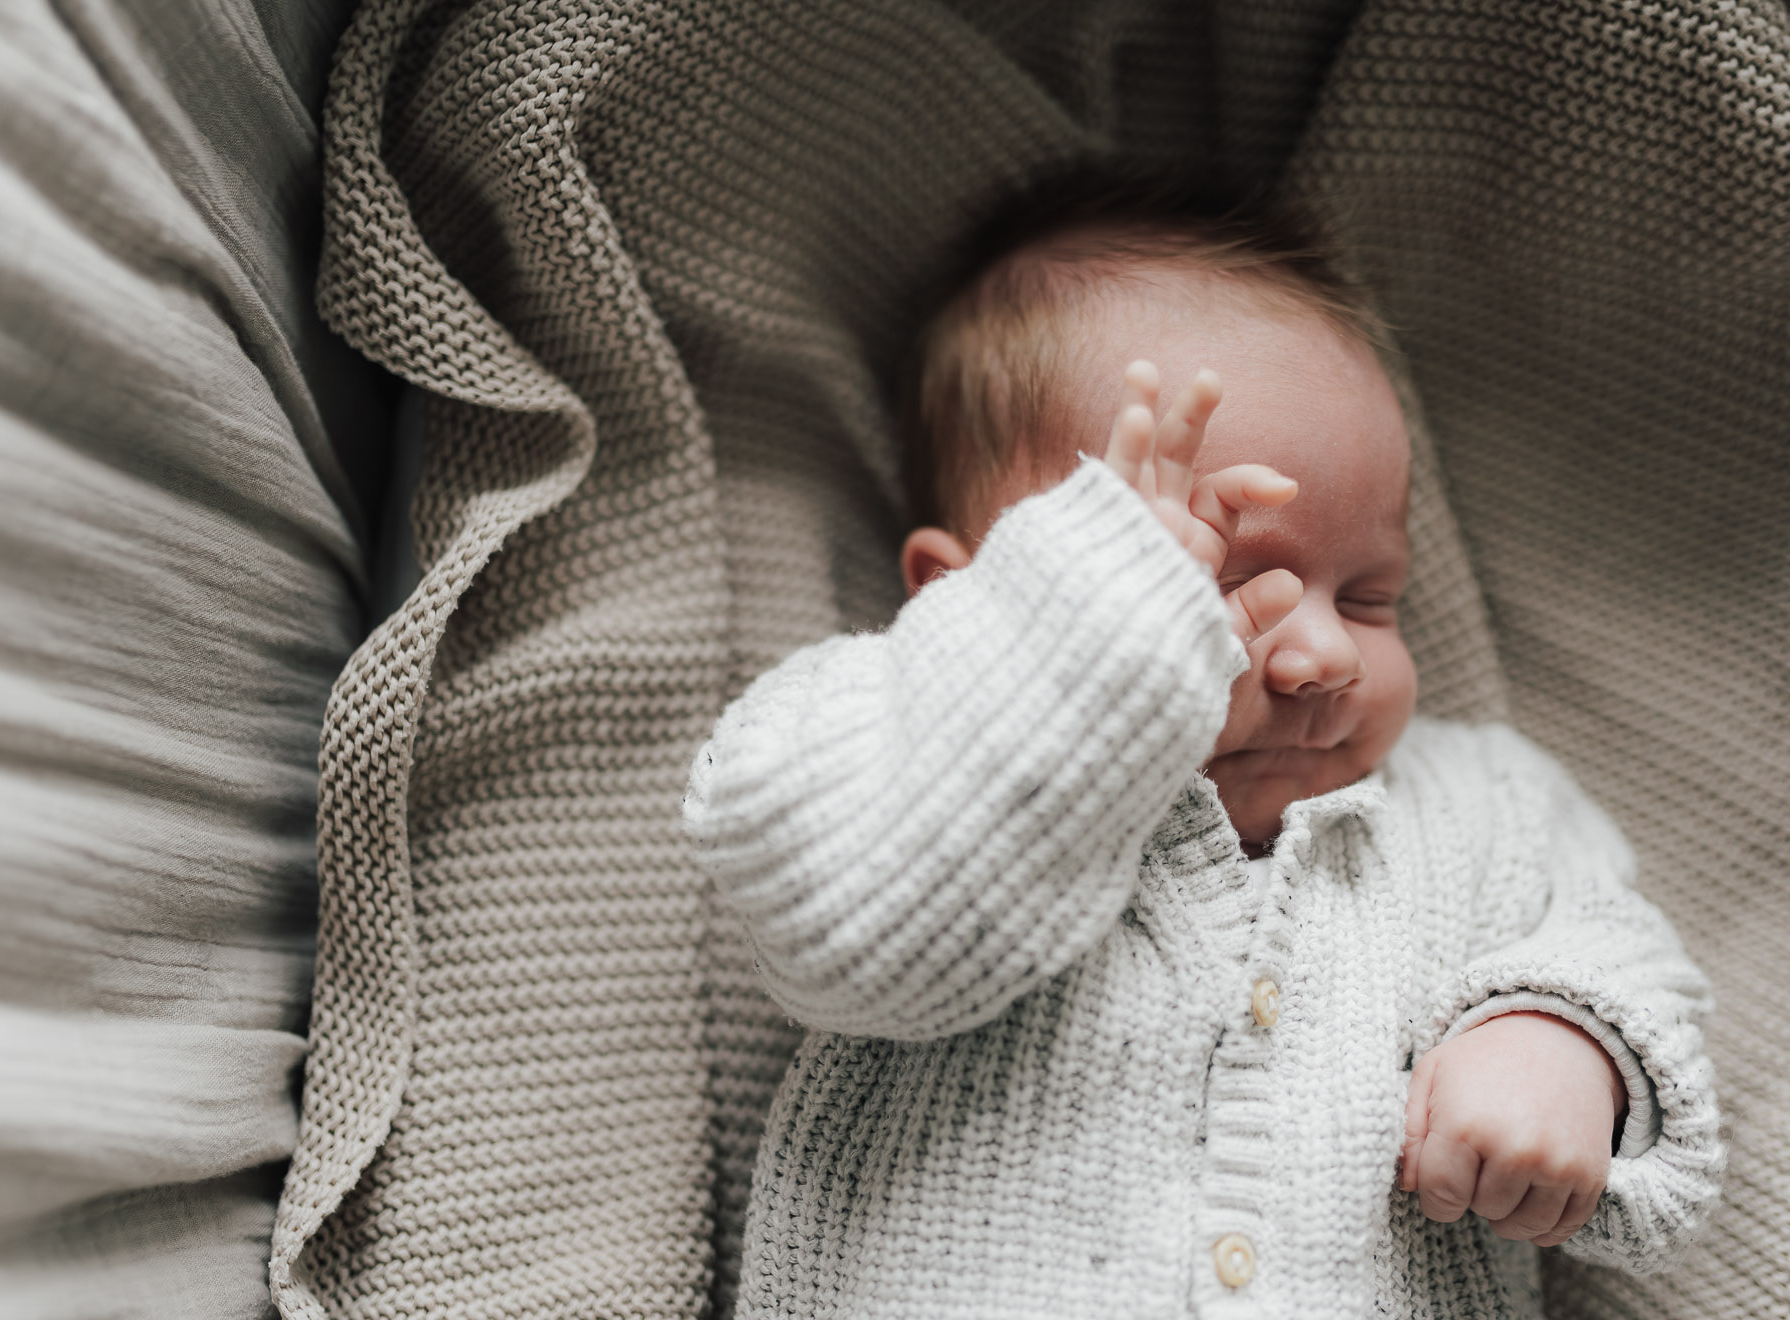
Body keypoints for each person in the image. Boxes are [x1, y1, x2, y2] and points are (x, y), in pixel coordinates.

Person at [682, 177, 1723, 1319]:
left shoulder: (1478, 798)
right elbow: (844, 932)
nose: (1322, 652)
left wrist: (1560, 1040)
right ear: (967, 597)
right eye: (1224, 582)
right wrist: (1095, 648)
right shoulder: (871, 743)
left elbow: (1622, 945)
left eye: (1371, 597)